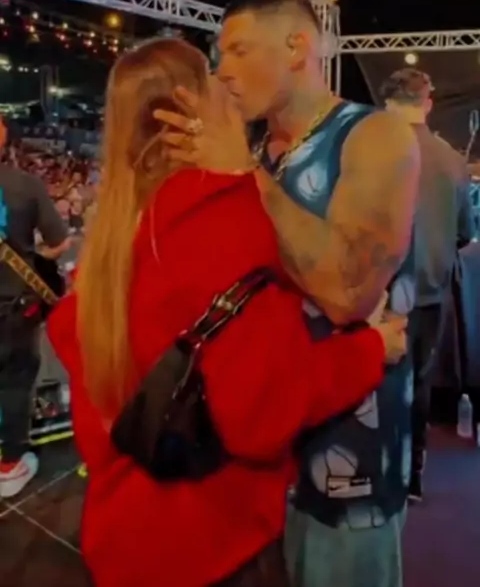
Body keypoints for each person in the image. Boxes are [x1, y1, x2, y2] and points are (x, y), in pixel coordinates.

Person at [48, 38, 407, 587]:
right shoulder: (223, 220)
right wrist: (371, 349)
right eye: (213, 73)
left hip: (122, 539)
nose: (228, 81)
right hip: (212, 546)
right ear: (192, 106)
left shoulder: (113, 233)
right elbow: (265, 411)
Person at [155, 0, 420, 587]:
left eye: (239, 50)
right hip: (257, 452)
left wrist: (243, 175)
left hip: (347, 461)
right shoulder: (256, 150)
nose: (222, 71)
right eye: (219, 55)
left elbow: (349, 293)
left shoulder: (375, 135)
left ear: (297, 46)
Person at [380, 67, 475, 502]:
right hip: (431, 292)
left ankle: (376, 473)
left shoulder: (370, 154)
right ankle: (412, 476)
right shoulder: (452, 160)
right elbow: (464, 233)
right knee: (418, 384)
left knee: (373, 383)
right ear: (428, 103)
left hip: (378, 292)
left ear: (386, 103)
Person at [0, 116, 69, 498]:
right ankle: (9, 465)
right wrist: (32, 256)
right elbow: (59, 243)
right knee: (14, 381)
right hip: (14, 306)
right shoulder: (25, 185)